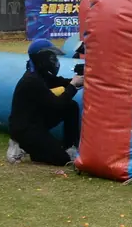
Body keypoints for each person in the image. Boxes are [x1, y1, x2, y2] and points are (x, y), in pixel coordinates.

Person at [6, 38, 82, 166]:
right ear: (42, 59)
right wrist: (73, 86)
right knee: (62, 159)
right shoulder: (32, 80)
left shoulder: (40, 74)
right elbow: (57, 104)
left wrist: (81, 79)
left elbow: (61, 81)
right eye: (52, 58)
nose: (55, 62)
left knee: (71, 106)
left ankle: (70, 146)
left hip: (37, 121)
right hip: (24, 129)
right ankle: (21, 145)